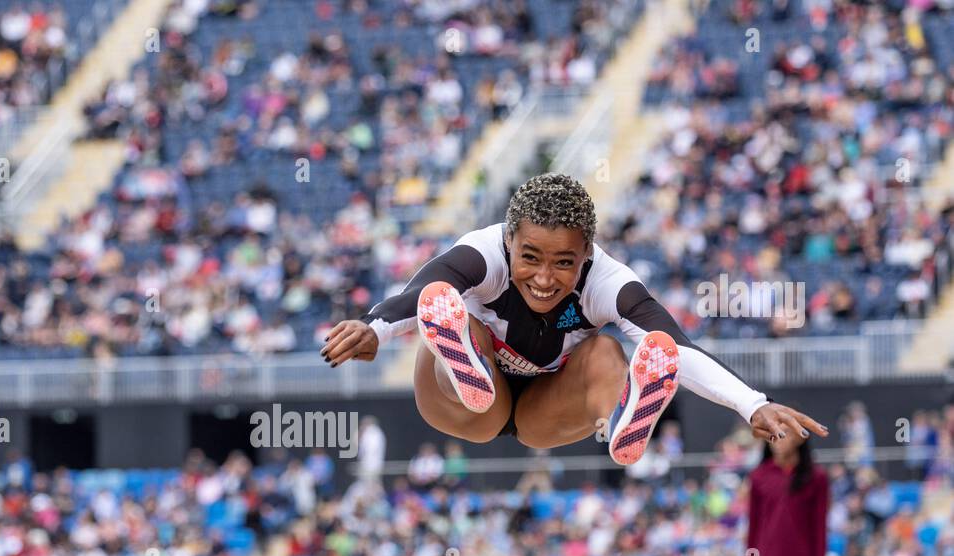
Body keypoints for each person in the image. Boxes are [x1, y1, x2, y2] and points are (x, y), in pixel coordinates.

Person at [321, 173, 827, 464]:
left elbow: (676, 346)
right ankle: (462, 360)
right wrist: (374, 328)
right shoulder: (481, 252)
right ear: (509, 241)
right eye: (530, 257)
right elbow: (416, 294)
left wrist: (750, 403)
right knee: (448, 314)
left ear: (587, 254)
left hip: (547, 409)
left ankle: (621, 417)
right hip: (465, 405)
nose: (544, 278)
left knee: (608, 350)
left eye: (564, 262)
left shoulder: (608, 281)